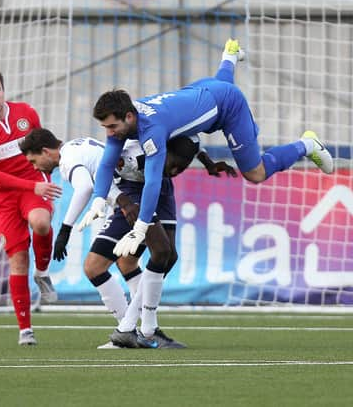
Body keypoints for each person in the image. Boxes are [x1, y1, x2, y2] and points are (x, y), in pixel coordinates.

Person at [81, 38, 334, 346]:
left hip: (227, 107)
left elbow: (152, 182)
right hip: (204, 90)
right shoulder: (125, 120)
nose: (109, 133)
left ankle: (306, 144)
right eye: (105, 127)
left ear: (129, 118)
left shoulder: (152, 131)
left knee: (254, 172)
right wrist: (97, 199)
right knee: (219, 86)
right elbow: (107, 162)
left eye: (111, 127)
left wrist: (141, 226)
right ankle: (228, 56)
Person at [20, 129, 235, 348]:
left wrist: (65, 229)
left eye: (33, 160)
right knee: (132, 260)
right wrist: (207, 161)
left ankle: (129, 330)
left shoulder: (69, 160)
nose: (35, 167)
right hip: (151, 187)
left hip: (133, 194)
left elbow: (86, 187)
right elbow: (189, 139)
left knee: (95, 267)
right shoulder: (80, 143)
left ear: (46, 151)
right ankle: (142, 329)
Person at [0, 71, 62, 346]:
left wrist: (42, 181)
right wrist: (33, 188)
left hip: (34, 181)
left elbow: (43, 150)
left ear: (3, 91)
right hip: (4, 196)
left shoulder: (26, 114)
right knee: (18, 258)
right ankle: (25, 330)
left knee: (41, 223)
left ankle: (42, 273)